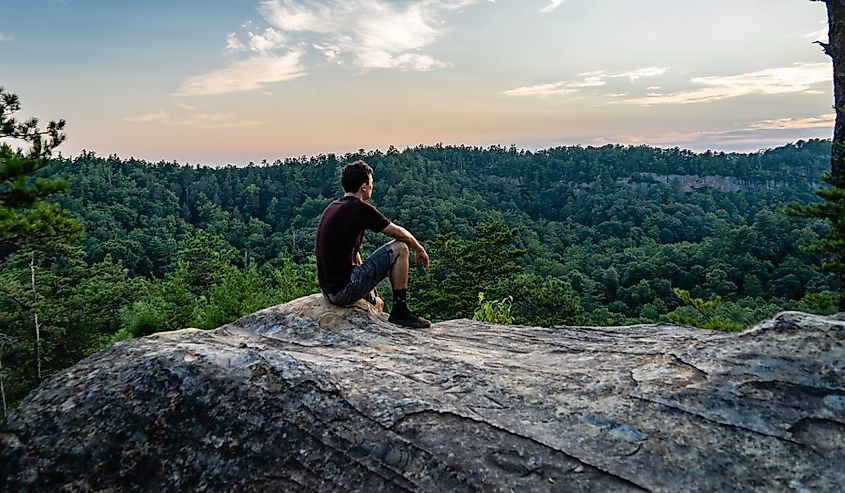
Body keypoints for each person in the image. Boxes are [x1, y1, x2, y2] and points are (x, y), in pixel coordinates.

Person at [316, 160, 431, 328]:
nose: (372, 186)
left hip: (329, 290)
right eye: (371, 183)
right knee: (401, 248)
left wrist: (370, 291)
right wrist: (419, 249)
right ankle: (400, 311)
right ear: (363, 187)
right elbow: (399, 233)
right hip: (343, 290)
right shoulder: (358, 208)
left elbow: (353, 253)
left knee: (378, 302)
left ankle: (382, 304)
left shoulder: (334, 206)